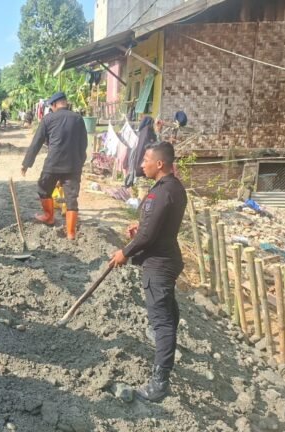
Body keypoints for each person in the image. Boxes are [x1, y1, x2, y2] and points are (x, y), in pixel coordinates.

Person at [108, 141, 187, 403]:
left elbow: (149, 235)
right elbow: (157, 226)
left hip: (158, 264)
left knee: (161, 321)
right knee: (168, 311)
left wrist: (125, 252)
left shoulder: (160, 193)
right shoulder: (175, 187)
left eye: (146, 160)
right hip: (168, 257)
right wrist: (140, 227)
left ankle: (159, 383)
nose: (142, 164)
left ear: (159, 163)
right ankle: (167, 343)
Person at [21, 92, 88, 240]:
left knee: (43, 189)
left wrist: (26, 163)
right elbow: (83, 144)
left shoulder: (48, 119)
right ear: (65, 102)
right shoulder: (78, 118)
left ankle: (49, 217)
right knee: (71, 199)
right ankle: (71, 233)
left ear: (54, 105)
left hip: (53, 164)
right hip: (73, 166)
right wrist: (80, 163)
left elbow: (37, 142)